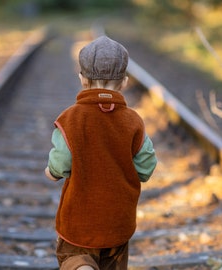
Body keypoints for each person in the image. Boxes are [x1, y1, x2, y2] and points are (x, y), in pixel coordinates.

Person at [44, 35, 157, 270]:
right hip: (118, 222)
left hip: (79, 221)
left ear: (83, 80)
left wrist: (52, 172)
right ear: (124, 82)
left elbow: (62, 161)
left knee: (74, 258)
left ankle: (82, 267)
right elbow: (146, 168)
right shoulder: (133, 121)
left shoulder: (70, 119)